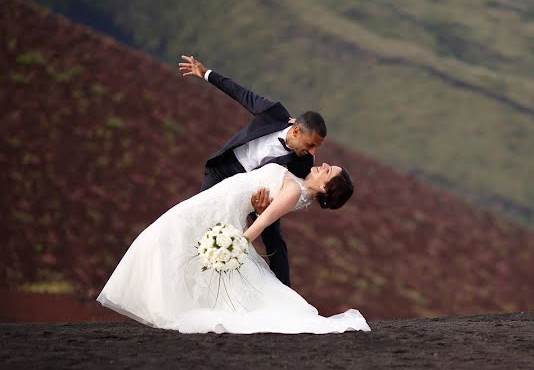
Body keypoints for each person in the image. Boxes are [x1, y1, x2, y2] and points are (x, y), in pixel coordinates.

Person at [96, 84, 367, 333]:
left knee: (168, 235)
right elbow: (246, 98)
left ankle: (171, 305)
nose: (320, 162)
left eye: (328, 171)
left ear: (324, 188)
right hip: (218, 198)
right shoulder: (298, 173)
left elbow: (265, 222)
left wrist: (233, 246)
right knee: (168, 235)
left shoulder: (296, 187)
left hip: (222, 206)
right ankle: (172, 301)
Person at [181, 54, 325, 288]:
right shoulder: (273, 113)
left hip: (259, 193)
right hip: (224, 170)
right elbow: (241, 94)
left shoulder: (303, 164)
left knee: (275, 238)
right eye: (311, 145)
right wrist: (205, 73)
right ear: (296, 131)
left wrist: (261, 211)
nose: (312, 152)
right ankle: (194, 276)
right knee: (198, 218)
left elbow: (287, 196)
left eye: (317, 148)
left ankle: (286, 296)